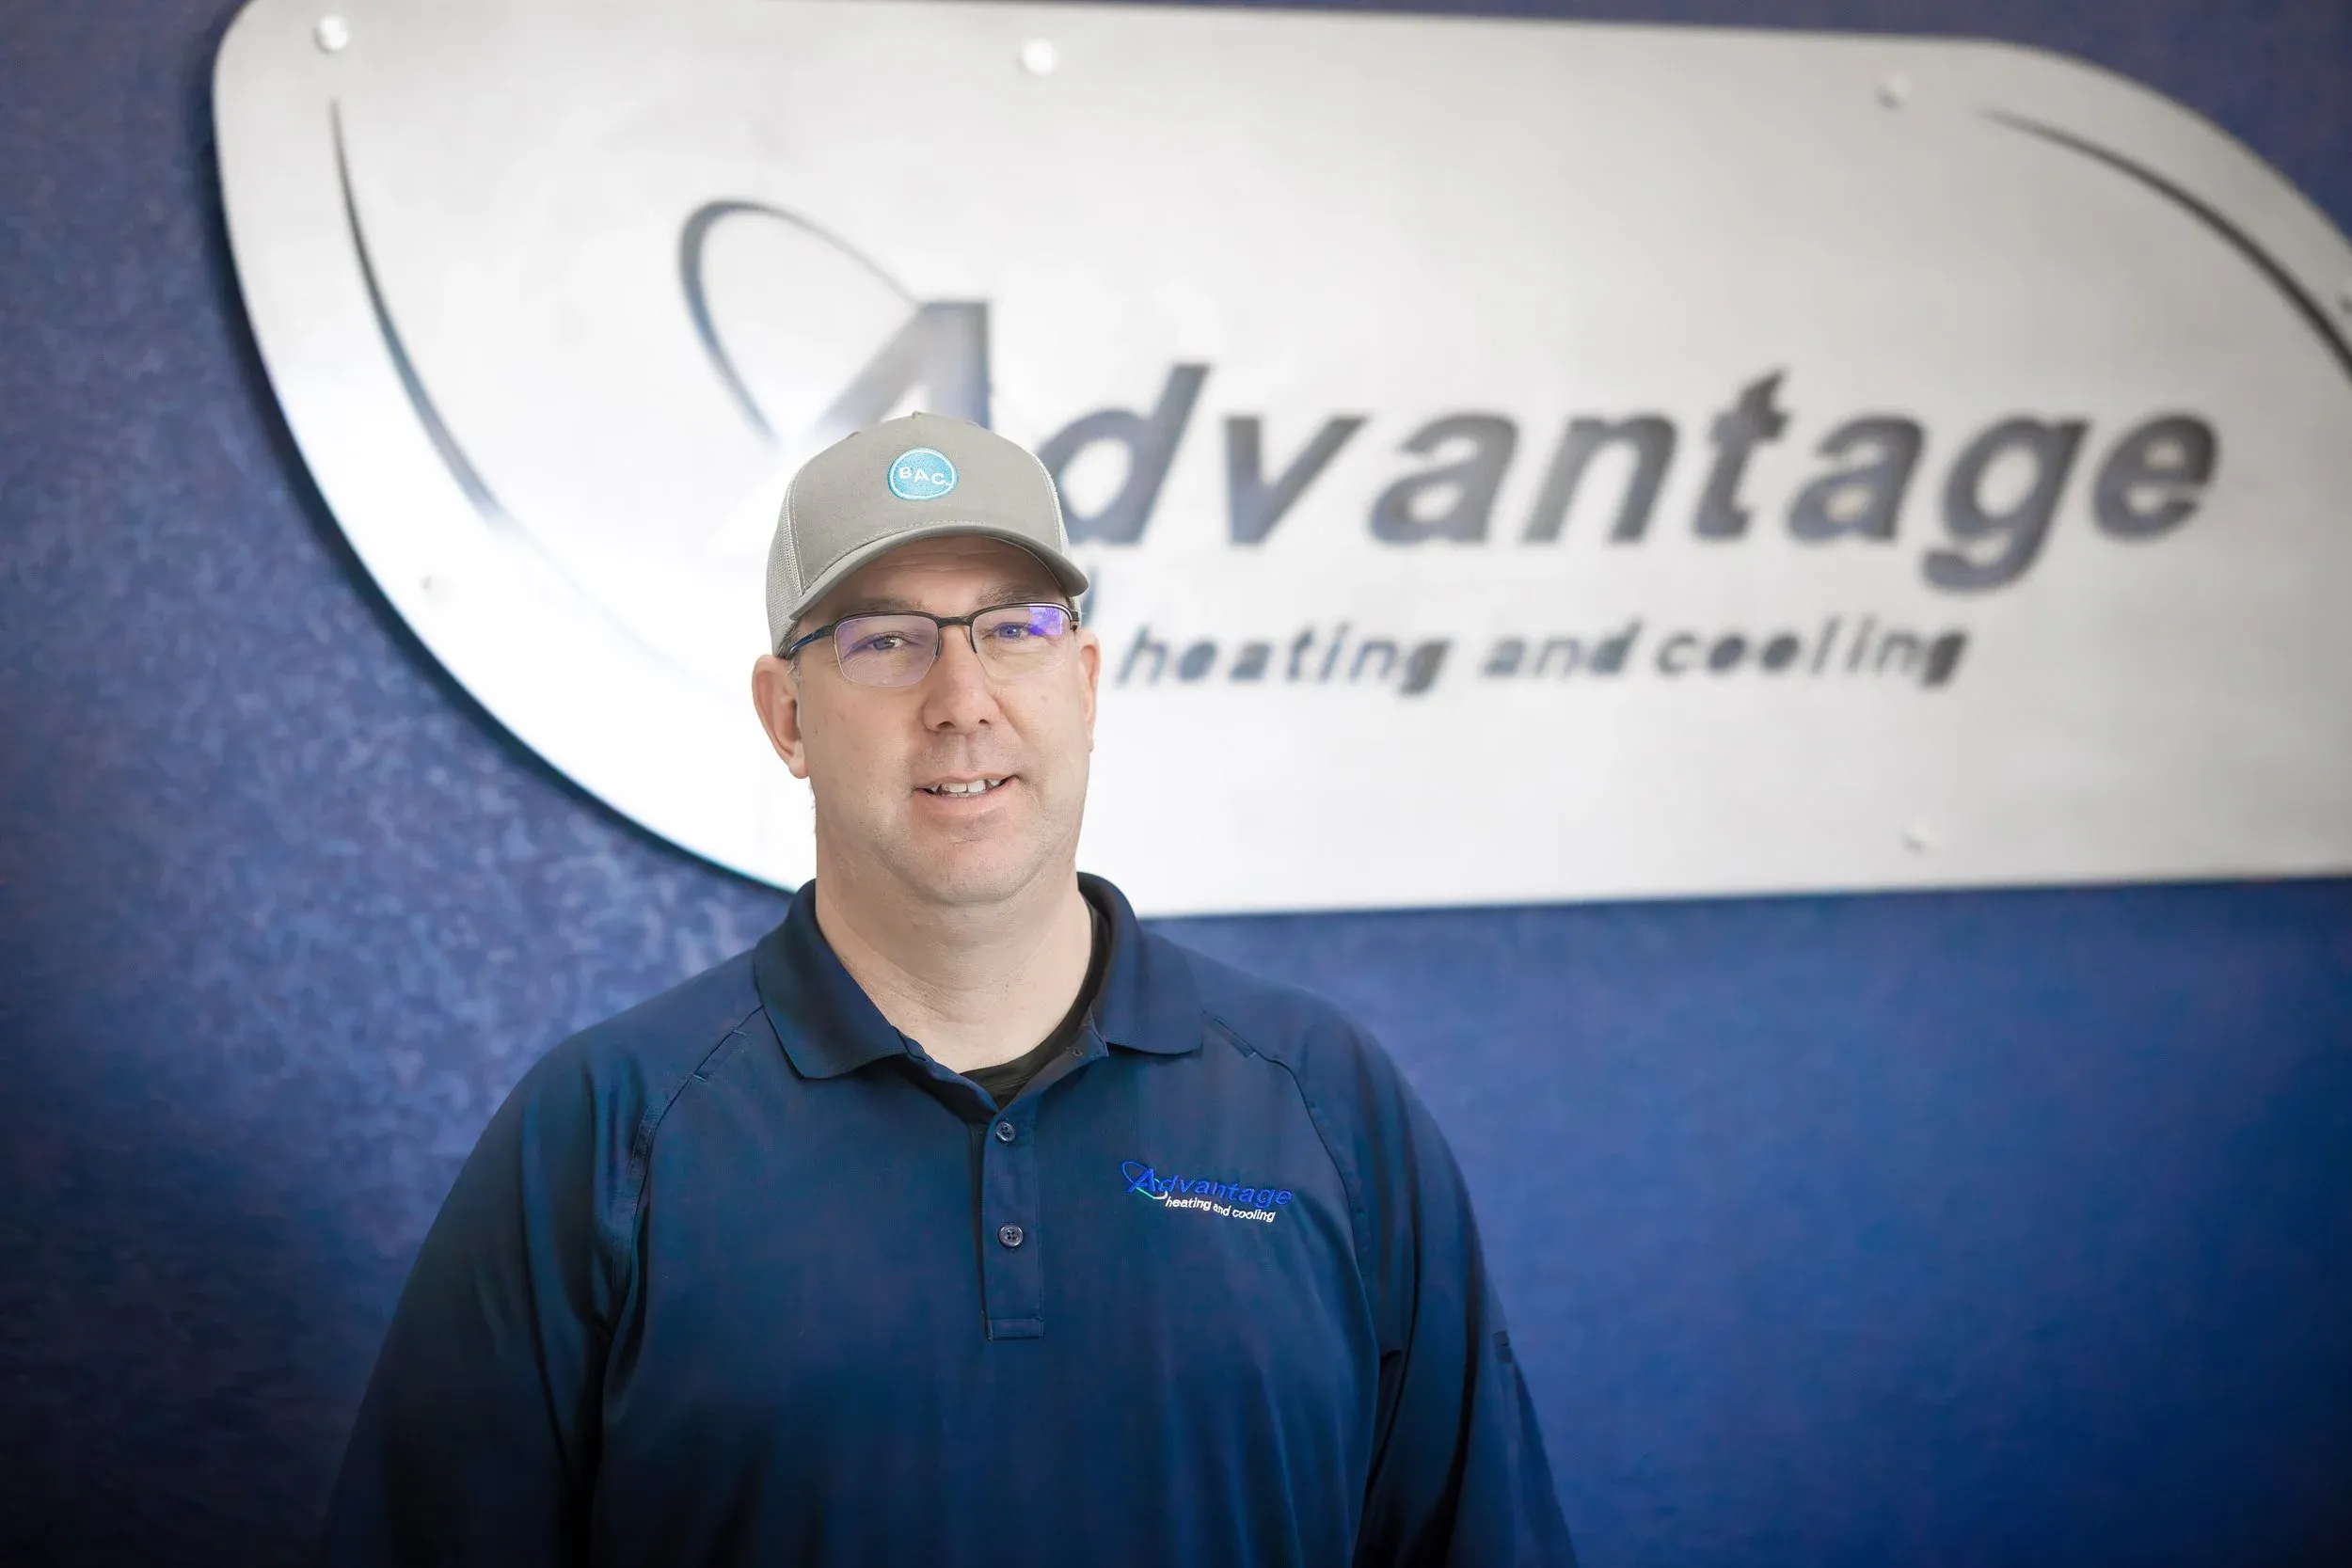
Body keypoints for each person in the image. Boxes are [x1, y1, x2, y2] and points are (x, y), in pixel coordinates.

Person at [317, 412, 1575, 1566]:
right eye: (886, 641)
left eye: (1013, 628)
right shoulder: (608, 1135)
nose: (962, 701)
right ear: (787, 716)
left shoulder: (1325, 1106)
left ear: (1084, 680)